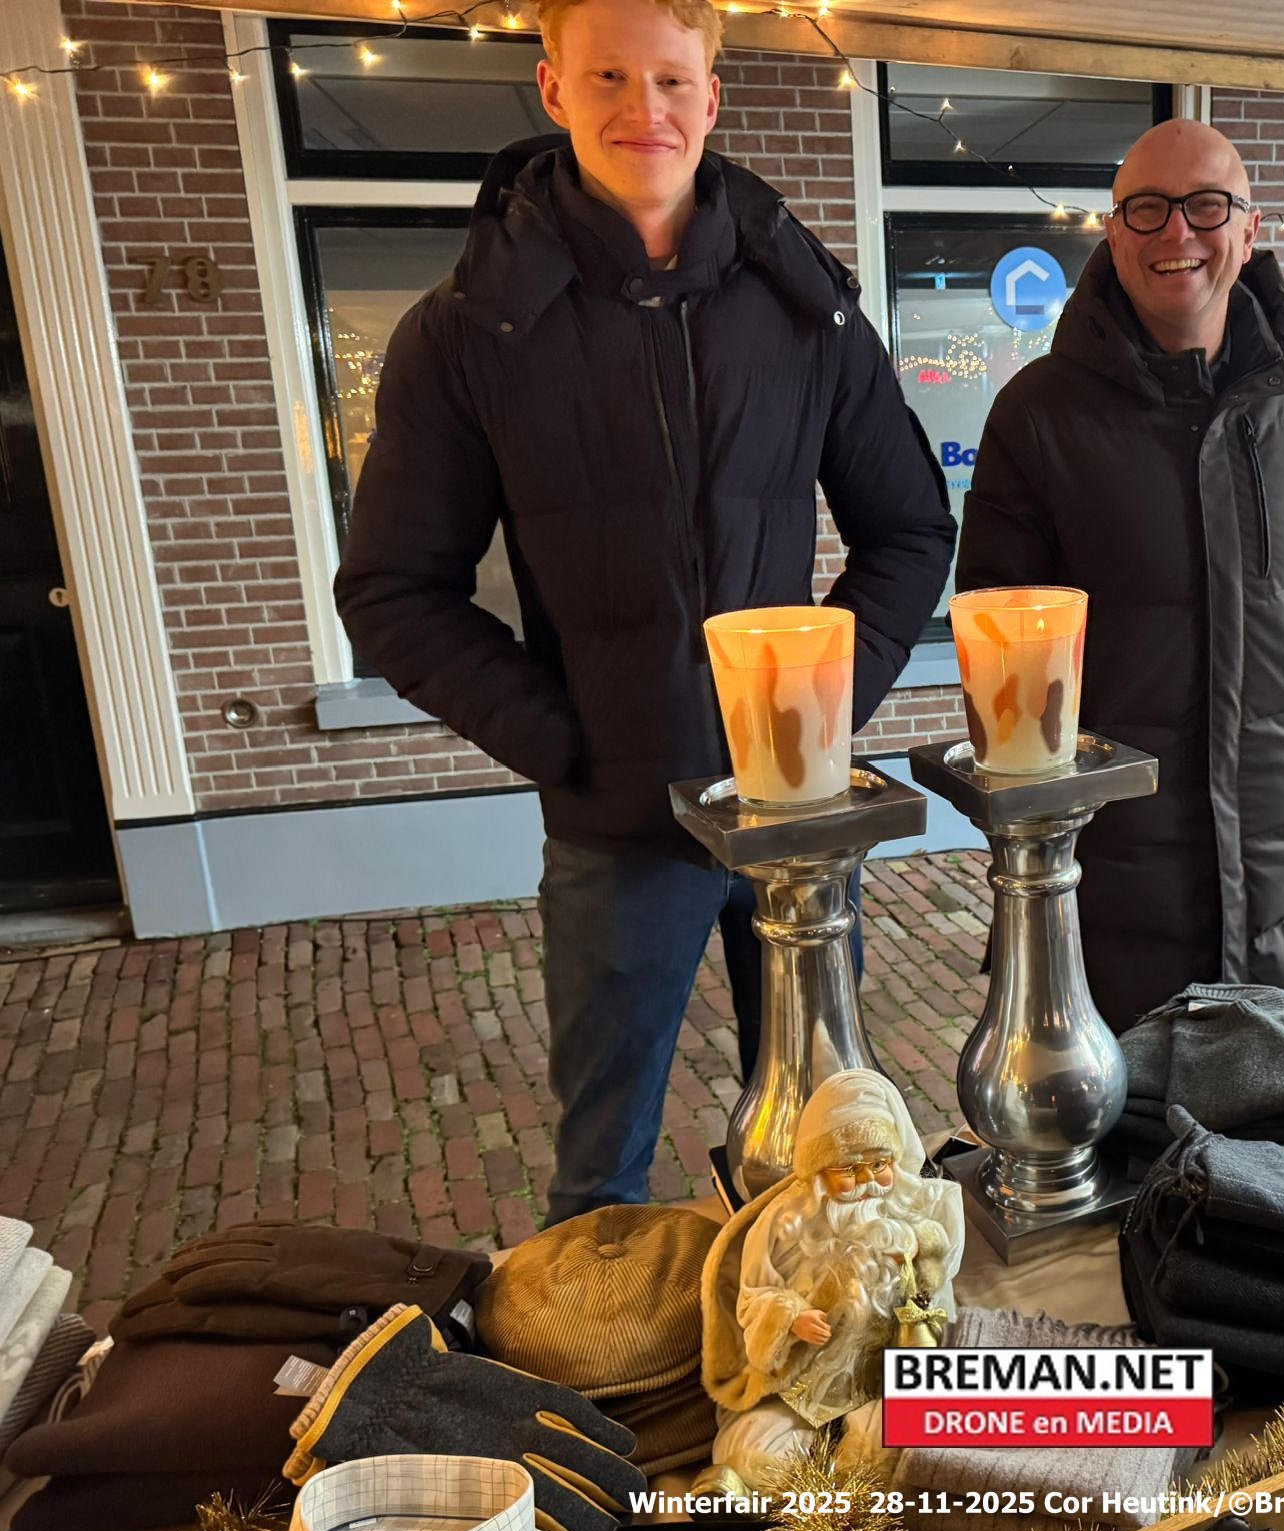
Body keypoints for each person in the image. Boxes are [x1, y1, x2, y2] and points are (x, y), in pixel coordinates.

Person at [333, 0, 954, 1224]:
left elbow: (909, 530)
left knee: (834, 1169)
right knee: (601, 1185)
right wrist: (566, 741)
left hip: (795, 819)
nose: (644, 109)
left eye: (670, 79)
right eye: (609, 76)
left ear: (710, 95)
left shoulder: (806, 307)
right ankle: (606, 1342)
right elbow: (392, 591)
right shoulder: (468, 332)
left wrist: (820, 712)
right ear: (552, 88)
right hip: (618, 829)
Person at [957, 119, 1284, 1029]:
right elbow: (994, 624)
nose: (1177, 231)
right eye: (1146, 208)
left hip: (1277, 876)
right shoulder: (1039, 414)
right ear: (1113, 233)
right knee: (1115, 1116)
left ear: (1249, 231)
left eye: (1206, 206)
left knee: (1275, 1105)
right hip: (1106, 889)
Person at [700, 1069, 964, 1488]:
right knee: (750, 1447)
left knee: (897, 1444)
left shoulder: (916, 1211)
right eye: (849, 1169)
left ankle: (848, 1486)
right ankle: (769, 1487)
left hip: (884, 1373)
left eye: (879, 1165)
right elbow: (752, 1297)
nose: (867, 1181)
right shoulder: (787, 1225)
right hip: (807, 1379)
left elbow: (941, 1290)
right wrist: (790, 1318)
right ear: (820, 1170)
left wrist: (925, 1250)